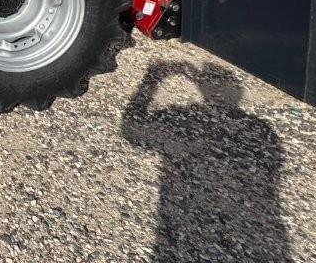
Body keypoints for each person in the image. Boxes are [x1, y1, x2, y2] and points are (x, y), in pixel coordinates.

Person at [121, 61, 291, 262]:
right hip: (261, 235)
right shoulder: (261, 130)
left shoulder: (259, 130)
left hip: (185, 224)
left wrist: (153, 78)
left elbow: (131, 128)